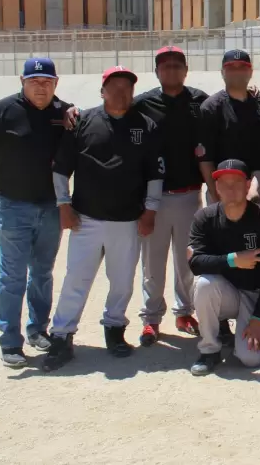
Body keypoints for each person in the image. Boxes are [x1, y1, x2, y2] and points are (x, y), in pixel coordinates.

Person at [43, 66, 165, 372]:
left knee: (122, 280)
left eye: (127, 87)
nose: (121, 93)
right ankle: (61, 335)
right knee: (76, 279)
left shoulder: (146, 126)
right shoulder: (82, 122)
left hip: (127, 221)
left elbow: (154, 174)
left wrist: (150, 211)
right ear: (102, 91)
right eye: (114, 87)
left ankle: (114, 328)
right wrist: (63, 204)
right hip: (85, 219)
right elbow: (60, 169)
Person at [0, 57, 76, 368]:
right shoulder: (2, 111)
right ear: (22, 81)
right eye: (34, 81)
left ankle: (38, 330)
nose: (41, 87)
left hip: (51, 207)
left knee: (42, 273)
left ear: (56, 82)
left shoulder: (64, 113)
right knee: (12, 276)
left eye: (47, 82)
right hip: (12, 206)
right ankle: (10, 341)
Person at [132, 46, 209, 347]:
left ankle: (184, 312)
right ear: (157, 71)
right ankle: (151, 319)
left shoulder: (200, 101)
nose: (172, 70)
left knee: (186, 260)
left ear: (186, 70)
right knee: (152, 262)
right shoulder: (141, 104)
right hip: (154, 199)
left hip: (190, 194)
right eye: (165, 66)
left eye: (177, 65)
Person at [186, 159, 260, 376]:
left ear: (248, 185)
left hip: (259, 295)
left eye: (237, 182)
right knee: (204, 285)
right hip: (227, 292)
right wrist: (233, 259)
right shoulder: (204, 217)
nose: (230, 188)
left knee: (250, 359)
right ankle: (209, 350)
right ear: (217, 187)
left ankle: (258, 330)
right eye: (224, 183)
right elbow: (195, 263)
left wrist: (258, 319)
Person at [198, 49, 260, 204]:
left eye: (242, 67)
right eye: (231, 68)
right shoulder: (211, 108)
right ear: (222, 72)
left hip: (253, 191)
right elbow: (205, 158)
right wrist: (216, 196)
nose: (237, 72)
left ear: (250, 71)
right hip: (222, 191)